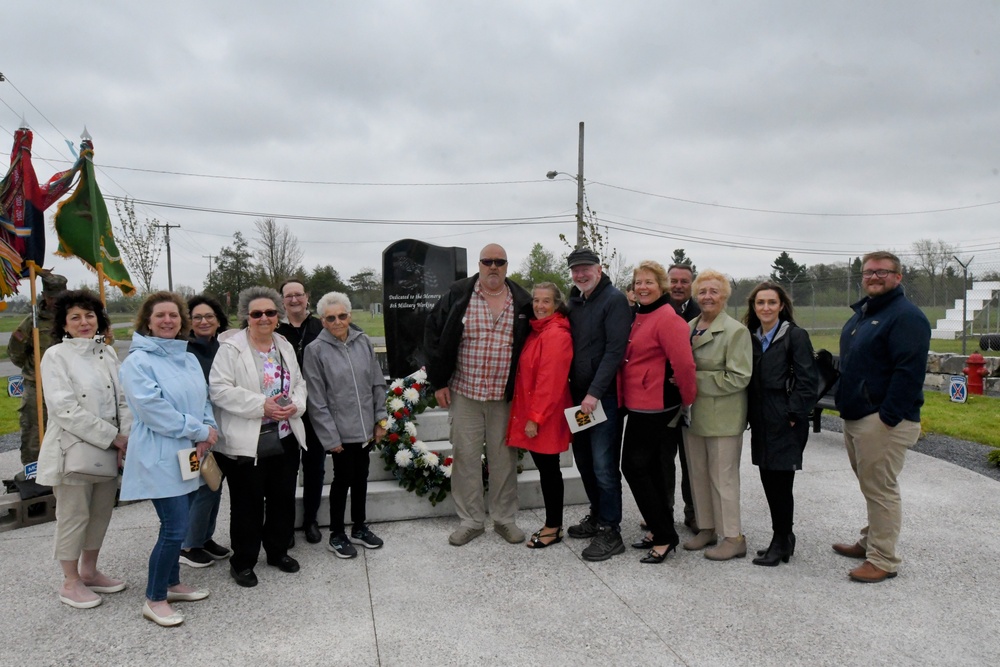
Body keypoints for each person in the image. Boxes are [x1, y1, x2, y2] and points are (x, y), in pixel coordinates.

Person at [424, 243, 532, 547]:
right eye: (488, 261)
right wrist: (438, 381)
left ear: (507, 265)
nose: (493, 267)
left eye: (499, 261)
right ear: (480, 265)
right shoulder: (459, 295)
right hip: (465, 392)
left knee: (503, 461)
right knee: (466, 458)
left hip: (503, 396)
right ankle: (471, 521)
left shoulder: (521, 301)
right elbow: (433, 335)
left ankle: (503, 519)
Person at [120, 292, 217, 627]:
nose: (167, 321)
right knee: (174, 527)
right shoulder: (138, 361)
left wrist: (209, 427)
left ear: (181, 321)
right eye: (160, 315)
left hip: (189, 453)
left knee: (182, 521)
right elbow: (152, 410)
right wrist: (197, 429)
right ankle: (154, 597)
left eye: (173, 315)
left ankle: (172, 583)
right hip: (159, 455)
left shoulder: (187, 356)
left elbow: (203, 397)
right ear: (147, 320)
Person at [833, 251, 930, 583]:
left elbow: (909, 372)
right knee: (870, 484)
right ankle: (870, 541)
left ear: (898, 277)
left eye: (882, 272)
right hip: (858, 414)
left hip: (882, 420)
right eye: (868, 272)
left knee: (880, 489)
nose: (873, 277)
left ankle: (883, 559)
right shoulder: (866, 313)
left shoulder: (906, 316)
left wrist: (887, 417)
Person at [35, 289, 131, 609]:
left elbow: (122, 400)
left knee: (101, 513)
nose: (84, 322)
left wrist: (125, 438)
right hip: (73, 449)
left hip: (108, 448)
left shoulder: (106, 353)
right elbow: (64, 409)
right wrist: (112, 436)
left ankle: (89, 572)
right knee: (73, 516)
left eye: (90, 315)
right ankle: (70, 581)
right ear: (64, 324)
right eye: (75, 317)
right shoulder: (56, 356)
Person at [209, 286, 308, 588]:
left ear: (278, 316)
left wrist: (297, 405)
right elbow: (219, 389)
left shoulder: (284, 345)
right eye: (257, 314)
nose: (264, 318)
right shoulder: (230, 349)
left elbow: (299, 384)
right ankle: (243, 561)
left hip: (285, 436)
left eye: (270, 312)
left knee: (282, 500)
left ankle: (277, 552)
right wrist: (260, 405)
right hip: (247, 441)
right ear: (246, 317)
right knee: (247, 504)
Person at [619, 262, 697, 564]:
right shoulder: (641, 314)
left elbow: (685, 366)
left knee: (634, 468)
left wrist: (686, 401)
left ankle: (665, 535)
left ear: (661, 285)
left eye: (649, 282)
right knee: (649, 471)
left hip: (657, 407)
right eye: (638, 282)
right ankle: (658, 528)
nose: (642, 287)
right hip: (638, 403)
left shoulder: (668, 318)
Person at [303, 291, 388, 558]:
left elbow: (377, 382)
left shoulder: (362, 341)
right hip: (340, 432)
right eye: (331, 318)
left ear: (349, 315)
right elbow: (316, 399)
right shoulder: (315, 350)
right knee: (342, 480)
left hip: (366, 428)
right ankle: (337, 533)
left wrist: (381, 420)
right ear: (322, 320)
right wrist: (331, 437)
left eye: (342, 316)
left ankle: (359, 527)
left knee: (361, 477)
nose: (338, 322)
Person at [743, 282, 818, 567]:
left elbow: (807, 381)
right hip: (761, 419)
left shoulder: (794, 336)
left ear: (781, 306)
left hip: (784, 420)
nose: (765, 308)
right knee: (768, 479)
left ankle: (781, 538)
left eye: (771, 302)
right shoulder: (752, 337)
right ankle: (784, 538)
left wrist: (793, 414)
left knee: (781, 483)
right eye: (760, 302)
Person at [564, 247, 632, 561]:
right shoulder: (575, 301)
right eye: (575, 270)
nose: (581, 274)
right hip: (578, 401)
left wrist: (593, 393)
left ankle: (611, 530)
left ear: (599, 268)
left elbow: (614, 351)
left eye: (585, 268)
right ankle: (596, 515)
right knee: (585, 462)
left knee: (604, 467)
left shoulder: (614, 300)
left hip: (600, 398)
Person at [682, 270, 753, 561]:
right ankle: (707, 528)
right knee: (697, 473)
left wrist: (691, 380)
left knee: (722, 479)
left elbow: (739, 377)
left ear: (723, 296)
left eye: (713, 291)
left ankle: (733, 537)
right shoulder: (688, 327)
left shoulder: (736, 331)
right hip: (693, 416)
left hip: (723, 418)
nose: (707, 297)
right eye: (702, 292)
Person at [505, 282, 574, 549]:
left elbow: (551, 381)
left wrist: (535, 417)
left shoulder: (555, 334)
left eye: (546, 301)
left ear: (557, 304)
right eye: (536, 300)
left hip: (545, 416)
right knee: (547, 470)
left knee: (549, 471)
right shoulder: (538, 331)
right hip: (536, 413)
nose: (539, 306)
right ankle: (553, 524)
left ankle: (553, 527)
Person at [178, 294, 233, 568]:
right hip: (196, 428)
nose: (203, 321)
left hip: (221, 426)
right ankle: (188, 545)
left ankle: (204, 537)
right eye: (197, 317)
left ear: (218, 320)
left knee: (214, 483)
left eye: (209, 316)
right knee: (199, 488)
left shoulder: (224, 347)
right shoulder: (184, 351)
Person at [276, 279, 327, 545]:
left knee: (314, 467)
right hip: (285, 409)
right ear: (282, 300)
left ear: (307, 297)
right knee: (286, 469)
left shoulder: (321, 326)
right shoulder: (274, 328)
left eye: (298, 294)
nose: (294, 300)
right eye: (288, 296)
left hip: (315, 408)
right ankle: (284, 525)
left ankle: (310, 520)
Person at [8, 271, 67, 476]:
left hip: (68, 385)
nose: (56, 302)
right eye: (52, 297)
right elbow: (15, 352)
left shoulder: (74, 318)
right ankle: (33, 476)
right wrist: (35, 370)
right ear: (44, 295)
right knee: (34, 431)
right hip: (38, 386)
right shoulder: (31, 322)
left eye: (60, 297)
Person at [665, 263, 701, 531]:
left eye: (684, 281)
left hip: (692, 401)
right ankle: (663, 510)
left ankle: (693, 512)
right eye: (674, 280)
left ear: (692, 284)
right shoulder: (658, 308)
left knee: (691, 462)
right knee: (663, 460)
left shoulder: (701, 313)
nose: (678, 285)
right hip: (662, 399)